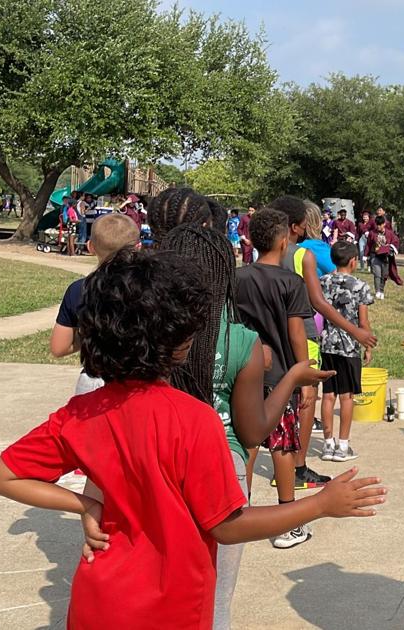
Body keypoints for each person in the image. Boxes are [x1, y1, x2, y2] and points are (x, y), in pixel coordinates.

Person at [0, 247, 387, 629]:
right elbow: (226, 527)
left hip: (98, 604)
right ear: (179, 341)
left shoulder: (81, 413)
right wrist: (319, 504)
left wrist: (85, 503)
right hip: (173, 609)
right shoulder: (195, 420)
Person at [143, 224, 337, 629]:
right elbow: (251, 434)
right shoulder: (240, 340)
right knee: (212, 601)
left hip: (150, 465)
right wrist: (296, 376)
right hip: (226, 448)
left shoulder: (142, 337)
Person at [276, 197, 379, 487]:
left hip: (281, 336)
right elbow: (318, 303)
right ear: (299, 226)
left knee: (283, 400)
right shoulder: (303, 255)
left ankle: (282, 464)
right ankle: (298, 467)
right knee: (308, 399)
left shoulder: (265, 256)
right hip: (310, 336)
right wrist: (358, 332)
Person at [234, 209, 319, 548]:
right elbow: (297, 334)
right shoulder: (290, 282)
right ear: (285, 241)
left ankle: (242, 508)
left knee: (249, 442)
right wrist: (306, 375)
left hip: (245, 372)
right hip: (282, 376)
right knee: (283, 444)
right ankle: (288, 523)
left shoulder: (236, 278)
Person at [50, 213, 143, 394]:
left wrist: (91, 336)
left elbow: (58, 347)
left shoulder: (78, 290)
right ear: (138, 247)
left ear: (91, 247)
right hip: (140, 381)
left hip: (94, 380)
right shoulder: (149, 288)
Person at [319, 241, 376, 462]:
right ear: (354, 261)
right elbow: (363, 321)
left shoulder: (322, 282)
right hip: (349, 346)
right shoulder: (360, 286)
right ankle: (343, 445)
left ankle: (327, 443)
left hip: (326, 344)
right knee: (347, 396)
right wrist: (367, 346)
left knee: (328, 394)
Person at [367, 215, 401, 300]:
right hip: (375, 255)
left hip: (386, 256)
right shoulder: (372, 233)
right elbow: (368, 244)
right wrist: (366, 256)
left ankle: (381, 290)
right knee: (377, 274)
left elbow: (396, 241)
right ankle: (377, 291)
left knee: (384, 275)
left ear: (384, 224)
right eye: (377, 224)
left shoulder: (390, 233)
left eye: (380, 224)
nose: (378, 226)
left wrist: (392, 248)